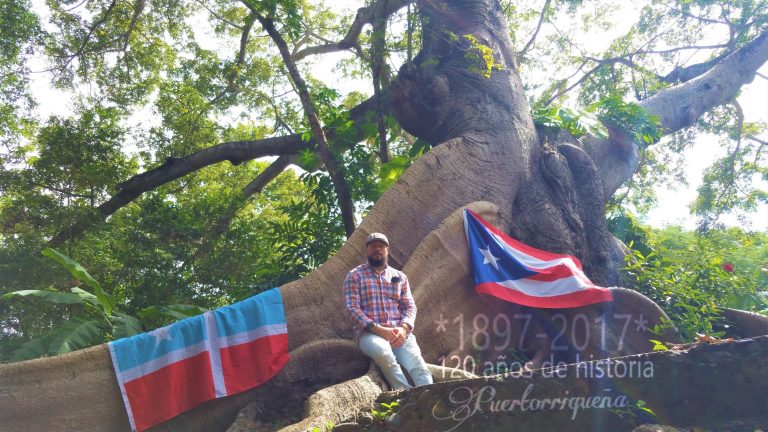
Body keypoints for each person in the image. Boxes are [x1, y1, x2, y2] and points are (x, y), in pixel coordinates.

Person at [343, 232, 433, 390]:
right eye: (373, 246)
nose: (377, 249)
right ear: (367, 250)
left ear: (387, 250)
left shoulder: (400, 276)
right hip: (370, 334)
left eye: (381, 246)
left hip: (399, 333)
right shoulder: (355, 276)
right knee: (384, 354)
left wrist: (403, 329)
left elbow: (410, 306)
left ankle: (429, 395)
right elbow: (352, 308)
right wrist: (379, 330)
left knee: (417, 363)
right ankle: (405, 395)